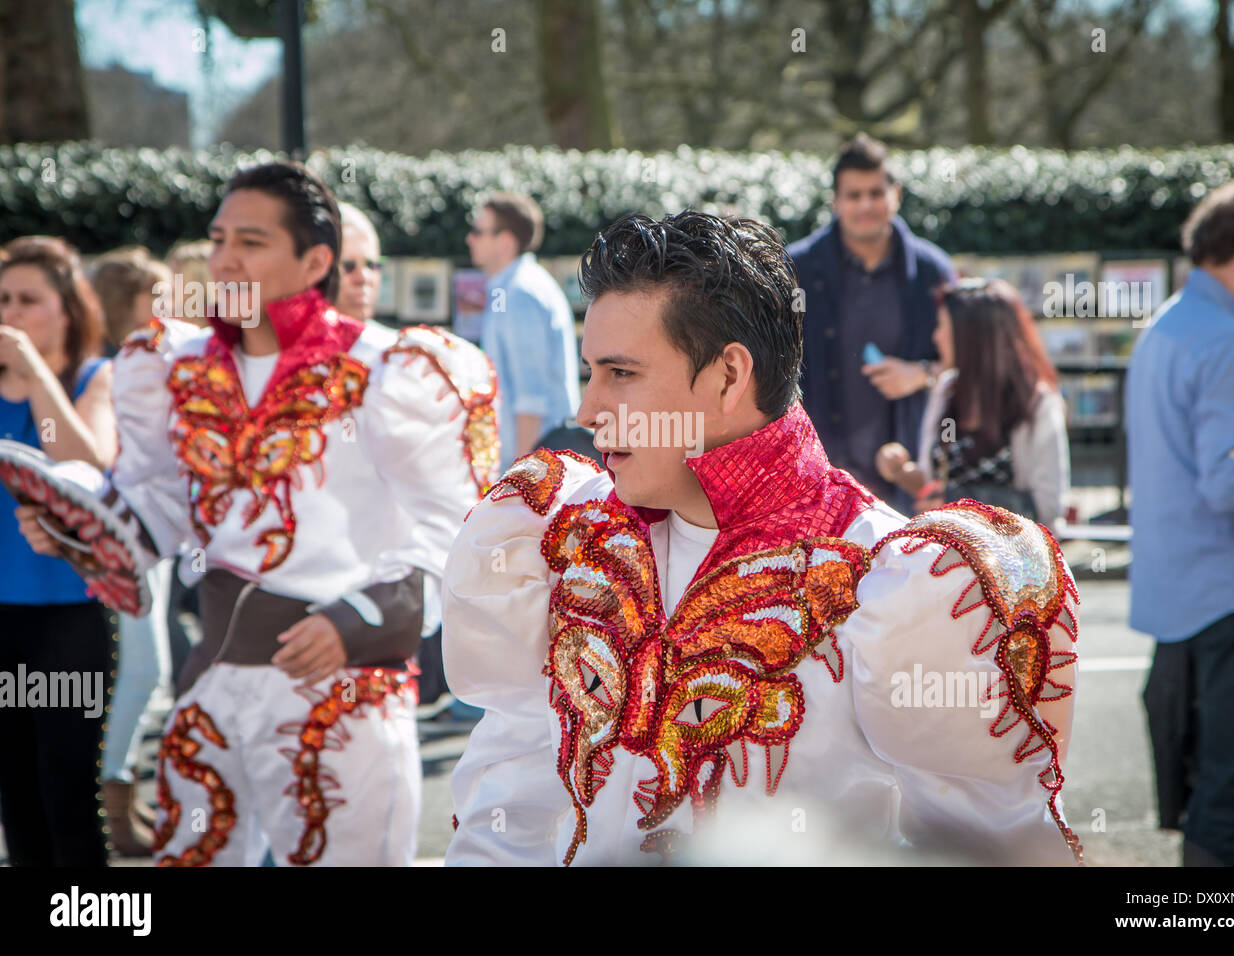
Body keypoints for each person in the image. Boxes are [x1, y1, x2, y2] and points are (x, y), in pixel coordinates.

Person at [443, 211, 1083, 866]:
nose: (586, 411)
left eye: (622, 374)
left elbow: (981, 850)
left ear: (728, 376)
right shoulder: (563, 535)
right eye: (590, 372)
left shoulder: (889, 577)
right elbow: (514, 800)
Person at [18, 161, 498, 866]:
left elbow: (456, 531)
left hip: (343, 696)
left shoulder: (391, 369)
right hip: (216, 681)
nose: (224, 259)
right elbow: (158, 513)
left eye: (250, 241)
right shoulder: (174, 365)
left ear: (315, 260)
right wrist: (76, 529)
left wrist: (362, 620)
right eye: (217, 240)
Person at [1128, 175, 1234, 867]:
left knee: (1216, 799)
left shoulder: (1171, 326)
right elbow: (1233, 485)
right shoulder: (1230, 343)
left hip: (1190, 601)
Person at [0, 236, 116, 866]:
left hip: (66, 618)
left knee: (66, 791)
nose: (11, 314)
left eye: (28, 300)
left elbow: (83, 466)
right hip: (2, 616)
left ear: (66, 309)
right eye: (2, 300)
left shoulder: (95, 378)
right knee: (14, 796)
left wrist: (33, 369)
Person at [787, 133, 956, 508]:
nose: (866, 204)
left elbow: (968, 363)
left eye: (876, 193)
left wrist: (923, 373)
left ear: (895, 194)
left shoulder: (933, 271)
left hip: (911, 481)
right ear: (835, 201)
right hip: (819, 477)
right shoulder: (796, 269)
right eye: (853, 195)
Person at [87, 248, 178, 856]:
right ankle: (108, 802)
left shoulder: (136, 365)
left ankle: (123, 793)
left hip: (145, 541)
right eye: (160, 297)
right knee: (143, 671)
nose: (173, 310)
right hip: (120, 542)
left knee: (151, 672)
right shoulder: (109, 370)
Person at [875, 278, 1070, 530]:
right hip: (943, 559)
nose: (935, 337)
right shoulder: (946, 391)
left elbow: (1048, 509)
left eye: (943, 327)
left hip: (1008, 563)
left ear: (974, 338)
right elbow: (933, 485)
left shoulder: (1038, 405)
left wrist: (960, 503)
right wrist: (899, 471)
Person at [467, 191, 579, 464]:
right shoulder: (515, 287)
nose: (470, 239)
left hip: (536, 469)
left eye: (478, 231)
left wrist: (518, 482)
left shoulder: (520, 293)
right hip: (538, 463)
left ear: (505, 242)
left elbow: (531, 401)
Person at [336, 202, 385, 326]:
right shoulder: (287, 344)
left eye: (372, 265)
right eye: (348, 266)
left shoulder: (397, 343)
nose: (363, 278)